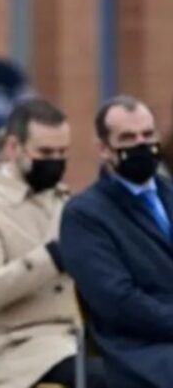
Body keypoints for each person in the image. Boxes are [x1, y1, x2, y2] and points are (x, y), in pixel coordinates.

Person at [0, 97, 105, 388]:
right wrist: (52, 256)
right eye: (45, 152)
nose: (55, 160)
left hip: (82, 337)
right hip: (21, 349)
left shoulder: (64, 200)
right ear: (13, 147)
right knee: (110, 379)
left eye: (62, 152)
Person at [61, 96, 173, 387]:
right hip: (141, 349)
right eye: (127, 138)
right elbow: (117, 301)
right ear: (103, 149)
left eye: (147, 134)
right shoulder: (85, 215)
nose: (141, 144)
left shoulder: (169, 193)